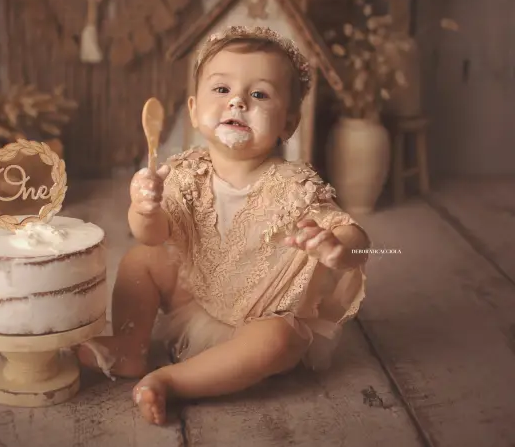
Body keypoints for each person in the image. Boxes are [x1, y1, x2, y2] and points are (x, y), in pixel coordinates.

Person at [78, 25, 370, 425]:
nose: (237, 102)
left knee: (279, 339)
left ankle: (172, 381)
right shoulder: (185, 172)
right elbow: (154, 235)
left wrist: (338, 246)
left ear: (288, 122)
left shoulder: (295, 186)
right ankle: (130, 346)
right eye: (221, 90)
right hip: (196, 296)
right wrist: (144, 210)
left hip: (259, 316)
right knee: (142, 258)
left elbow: (355, 235)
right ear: (195, 110)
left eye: (259, 94)